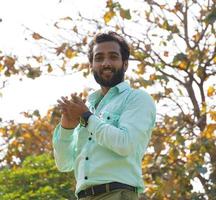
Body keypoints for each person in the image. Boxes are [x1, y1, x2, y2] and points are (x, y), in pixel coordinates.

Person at [53, 31, 156, 200]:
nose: (106, 63)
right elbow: (65, 164)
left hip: (117, 194)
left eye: (113, 57)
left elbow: (126, 144)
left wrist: (86, 117)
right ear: (91, 65)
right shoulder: (89, 106)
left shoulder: (137, 98)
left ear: (125, 64)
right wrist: (67, 128)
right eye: (99, 58)